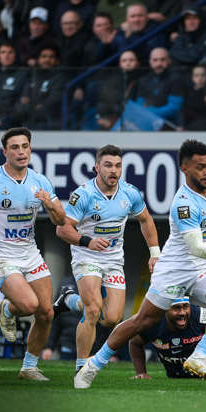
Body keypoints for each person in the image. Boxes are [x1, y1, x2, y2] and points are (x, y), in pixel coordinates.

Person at [73, 139, 206, 389]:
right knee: (141, 322)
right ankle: (93, 365)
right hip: (174, 270)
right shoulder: (183, 203)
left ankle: (198, 357)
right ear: (185, 169)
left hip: (200, 269)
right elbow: (197, 247)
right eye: (200, 167)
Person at [53, 144, 160, 374]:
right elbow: (62, 230)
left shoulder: (129, 193)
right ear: (96, 167)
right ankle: (82, 367)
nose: (114, 170)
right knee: (92, 310)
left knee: (112, 318)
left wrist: (155, 254)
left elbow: (146, 220)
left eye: (118, 166)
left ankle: (69, 300)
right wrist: (87, 241)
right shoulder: (82, 194)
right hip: (86, 254)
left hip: (113, 260)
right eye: (108, 165)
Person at [0, 127, 66, 380]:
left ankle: (29, 367)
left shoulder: (41, 181)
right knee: (29, 304)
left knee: (46, 312)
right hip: (1, 255)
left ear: (30, 149)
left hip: (30, 253)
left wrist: (49, 204)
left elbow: (61, 220)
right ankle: (9, 310)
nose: (21, 152)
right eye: (15, 147)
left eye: (25, 146)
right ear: (5, 152)